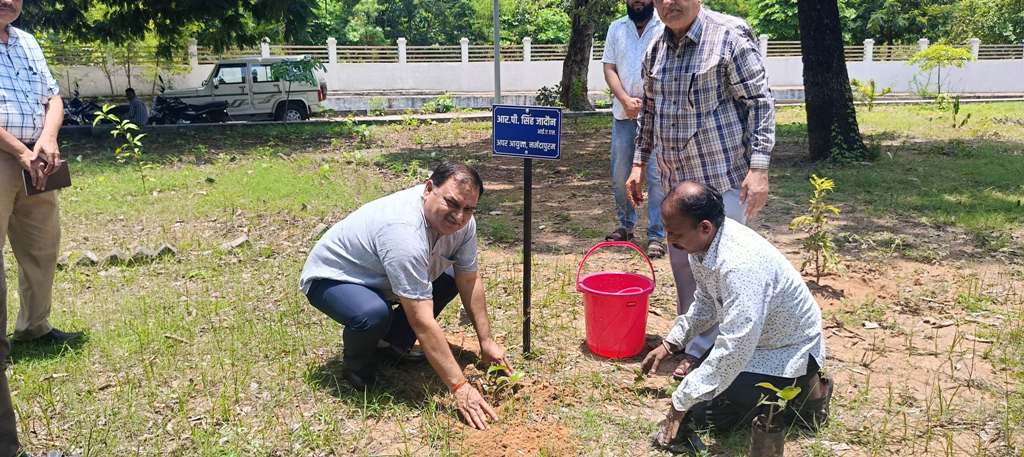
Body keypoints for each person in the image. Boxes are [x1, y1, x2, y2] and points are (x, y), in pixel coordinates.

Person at [625, 0, 776, 379]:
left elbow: (759, 103)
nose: (668, 4)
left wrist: (759, 168)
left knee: (724, 271)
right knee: (683, 265)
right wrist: (639, 163)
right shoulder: (657, 47)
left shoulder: (729, 36)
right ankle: (690, 341)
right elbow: (650, 112)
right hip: (677, 182)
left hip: (722, 179)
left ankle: (716, 351)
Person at [300, 162, 511, 430]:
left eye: (469, 209)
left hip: (384, 277)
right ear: (428, 188)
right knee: (373, 314)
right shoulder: (403, 231)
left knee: (450, 278)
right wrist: (459, 387)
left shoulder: (464, 225)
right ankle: (357, 368)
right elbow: (422, 320)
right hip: (336, 278)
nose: (459, 217)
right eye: (452, 204)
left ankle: (391, 344)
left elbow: (468, 278)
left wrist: (486, 341)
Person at [641, 182, 831, 451]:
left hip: (786, 350)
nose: (669, 240)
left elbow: (735, 347)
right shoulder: (703, 245)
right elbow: (705, 302)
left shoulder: (740, 266)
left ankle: (810, 392)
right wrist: (671, 343)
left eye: (674, 234)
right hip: (757, 342)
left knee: (710, 414)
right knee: (700, 394)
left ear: (704, 226)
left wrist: (680, 400)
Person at [0, 0, 83, 455]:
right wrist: (20, 151)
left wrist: (47, 139)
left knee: (42, 248)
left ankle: (34, 326)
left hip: (39, 160)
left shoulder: (27, 42)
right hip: (7, 157)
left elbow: (52, 96)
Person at [601, 0, 667, 258]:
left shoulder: (665, 27)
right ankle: (625, 226)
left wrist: (648, 102)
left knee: (656, 176)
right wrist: (625, 100)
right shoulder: (616, 28)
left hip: (659, 116)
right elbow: (609, 68)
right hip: (623, 115)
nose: (637, 1)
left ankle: (656, 235)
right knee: (620, 176)